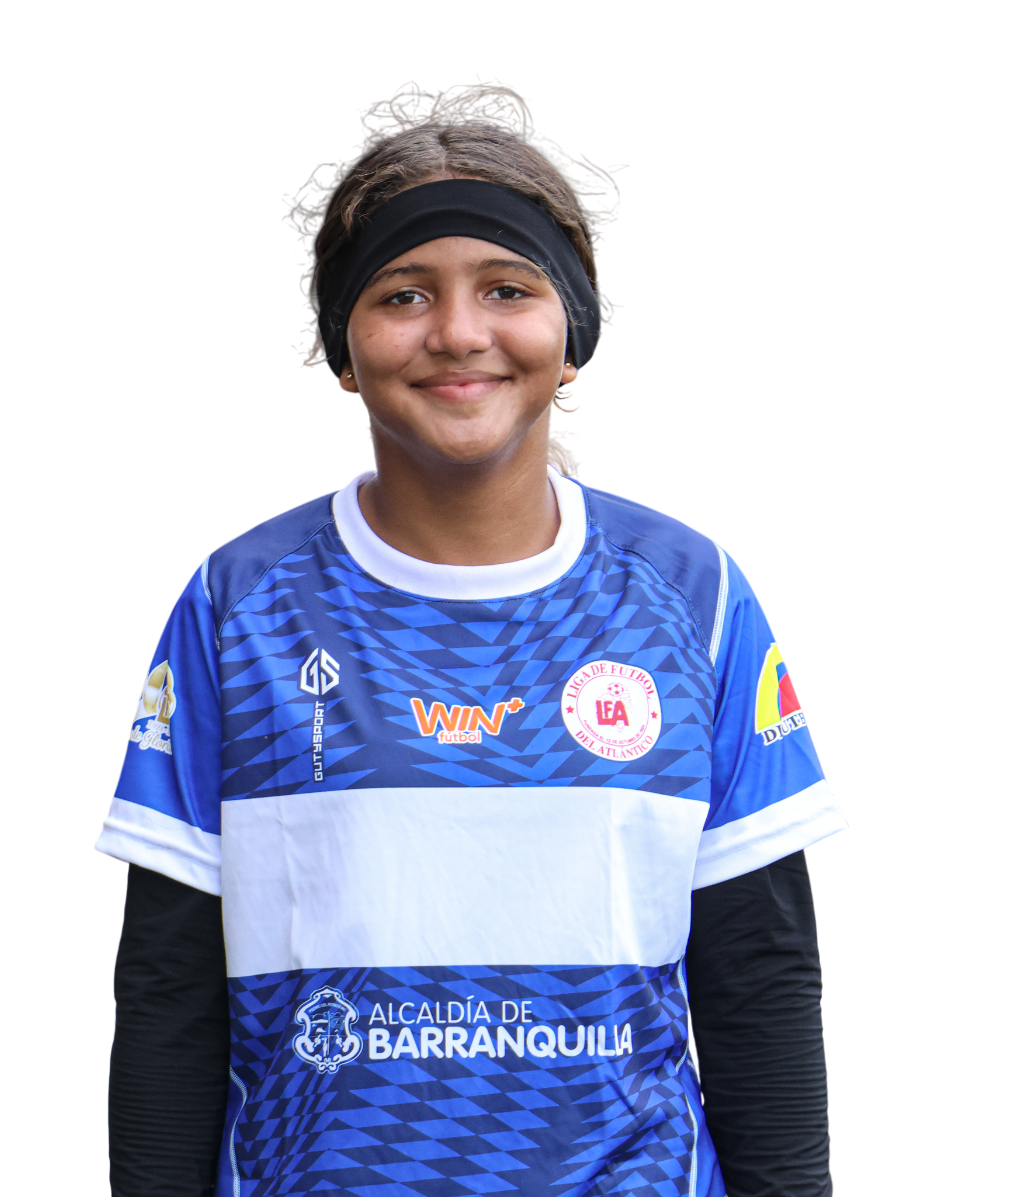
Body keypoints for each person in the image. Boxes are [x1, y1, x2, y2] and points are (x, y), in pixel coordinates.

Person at [97, 89, 845, 1197]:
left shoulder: (693, 598)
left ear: (570, 335)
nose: (457, 331)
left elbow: (760, 977)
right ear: (343, 348)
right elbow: (168, 991)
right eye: (403, 294)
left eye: (507, 288)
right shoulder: (238, 605)